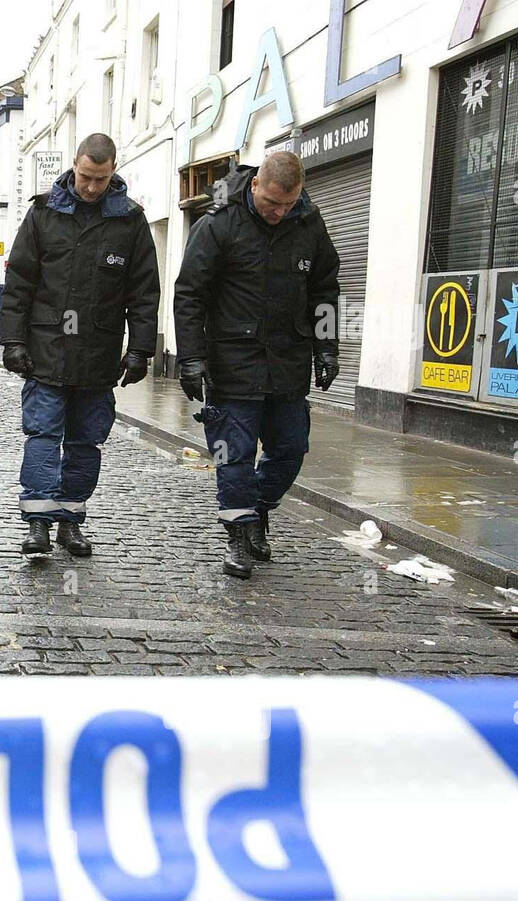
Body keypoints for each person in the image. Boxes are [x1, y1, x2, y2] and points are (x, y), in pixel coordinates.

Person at [172, 150, 341, 579]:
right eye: (271, 204)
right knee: (235, 457)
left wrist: (327, 348)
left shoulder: (309, 225)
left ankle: (258, 511)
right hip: (232, 363)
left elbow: (325, 289)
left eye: (287, 205)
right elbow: (190, 293)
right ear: (255, 186)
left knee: (289, 451)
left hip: (288, 362)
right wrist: (191, 357)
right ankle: (239, 537)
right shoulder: (219, 225)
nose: (278, 213)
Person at [0, 134, 160, 557]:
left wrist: (141, 349)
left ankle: (70, 520)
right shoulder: (43, 214)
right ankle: (37, 524)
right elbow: (18, 283)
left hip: (97, 355)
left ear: (113, 173)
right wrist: (13, 340)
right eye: (86, 177)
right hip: (45, 352)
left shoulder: (130, 222)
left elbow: (144, 292)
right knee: (43, 437)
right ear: (74, 166)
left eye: (101, 179)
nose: (91, 187)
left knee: (87, 443)